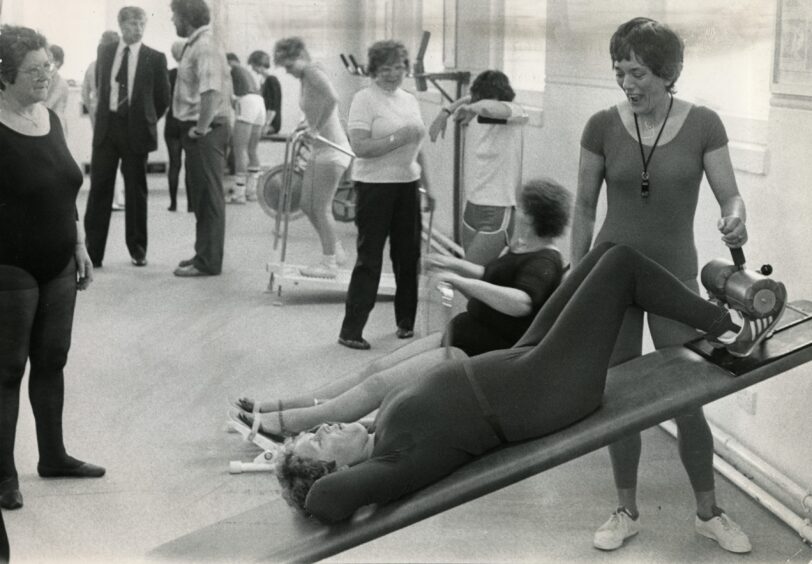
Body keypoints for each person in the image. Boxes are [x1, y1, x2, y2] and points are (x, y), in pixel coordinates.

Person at [274, 242, 785, 524]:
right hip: (546, 391)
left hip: (524, 364)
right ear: (332, 469)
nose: (325, 428)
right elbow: (327, 501)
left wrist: (313, 444)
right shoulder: (385, 467)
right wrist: (304, 486)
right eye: (318, 440)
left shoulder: (379, 434)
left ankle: (722, 318)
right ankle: (731, 328)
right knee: (624, 265)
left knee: (605, 252)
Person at [571, 17, 752, 554]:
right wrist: (573, 277)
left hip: (674, 275)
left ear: (667, 72)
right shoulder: (601, 125)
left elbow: (731, 198)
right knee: (619, 395)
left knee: (686, 396)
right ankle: (625, 509)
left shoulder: (705, 125)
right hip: (610, 274)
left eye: (639, 72)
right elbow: (582, 207)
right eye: (619, 71)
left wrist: (736, 218)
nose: (627, 83)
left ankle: (708, 512)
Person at [232, 178, 570, 435]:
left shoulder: (545, 262)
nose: (516, 211)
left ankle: (287, 424)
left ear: (533, 216)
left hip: (476, 351)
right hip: (462, 335)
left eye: (522, 208)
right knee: (372, 371)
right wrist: (454, 265)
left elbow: (521, 302)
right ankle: (275, 407)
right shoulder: (526, 249)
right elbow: (494, 277)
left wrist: (463, 283)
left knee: (379, 386)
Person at [0, 25, 106, 511]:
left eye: (49, 66)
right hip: (10, 265)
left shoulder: (51, 119)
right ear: (4, 74)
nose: (46, 76)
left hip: (60, 258)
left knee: (52, 361)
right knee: (7, 371)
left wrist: (81, 242)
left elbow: (67, 189)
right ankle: (3, 474)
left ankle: (53, 456)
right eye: (34, 70)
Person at [338, 40, 434, 349]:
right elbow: (360, 148)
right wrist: (397, 137)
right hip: (374, 188)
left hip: (407, 185)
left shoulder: (409, 99)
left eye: (398, 67)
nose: (392, 74)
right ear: (374, 71)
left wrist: (428, 187)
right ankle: (351, 331)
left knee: (408, 257)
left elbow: (417, 148)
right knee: (370, 259)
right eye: (385, 68)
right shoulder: (363, 99)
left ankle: (405, 322)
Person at [83, 6, 170, 269]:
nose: (139, 28)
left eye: (142, 23)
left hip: (136, 132)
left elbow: (162, 99)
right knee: (99, 190)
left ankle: (138, 250)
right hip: (107, 130)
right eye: (133, 23)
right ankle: (93, 252)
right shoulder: (105, 52)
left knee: (136, 192)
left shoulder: (155, 58)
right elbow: (100, 87)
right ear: (121, 25)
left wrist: (144, 118)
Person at [429, 70, 528, 265]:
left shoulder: (515, 111)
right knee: (474, 279)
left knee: (470, 272)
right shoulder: (479, 108)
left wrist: (473, 107)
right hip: (473, 206)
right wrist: (445, 112)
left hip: (499, 208)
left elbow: (490, 108)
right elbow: (474, 100)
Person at [273, 37, 352, 278]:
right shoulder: (305, 77)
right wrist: (306, 125)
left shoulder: (312, 70)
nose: (287, 71)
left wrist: (316, 128)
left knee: (320, 207)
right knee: (306, 205)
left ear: (299, 56)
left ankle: (329, 264)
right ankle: (336, 251)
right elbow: (317, 106)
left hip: (332, 149)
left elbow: (332, 98)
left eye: (288, 66)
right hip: (320, 150)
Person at [171, 0, 233, 278]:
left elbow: (212, 92)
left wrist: (200, 127)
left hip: (206, 131)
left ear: (187, 17)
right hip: (201, 130)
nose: (173, 21)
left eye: (175, 16)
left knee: (208, 197)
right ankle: (202, 254)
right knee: (202, 196)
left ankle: (208, 262)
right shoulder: (196, 45)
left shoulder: (204, 46)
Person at [81, 30, 127, 212]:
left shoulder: (92, 66)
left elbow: (85, 94)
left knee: (107, 157)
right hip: (115, 118)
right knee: (118, 157)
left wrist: (93, 110)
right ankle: (117, 198)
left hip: (99, 118)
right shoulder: (120, 65)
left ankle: (117, 198)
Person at [225, 52, 265, 205]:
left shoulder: (230, 68)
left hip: (247, 102)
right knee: (252, 150)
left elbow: (230, 96)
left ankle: (239, 194)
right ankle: (251, 191)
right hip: (260, 102)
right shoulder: (247, 72)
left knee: (239, 149)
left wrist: (234, 104)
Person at [165, 40, 190, 212]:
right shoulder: (193, 73)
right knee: (190, 165)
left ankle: (173, 203)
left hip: (172, 120)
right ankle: (192, 204)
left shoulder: (169, 74)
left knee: (174, 164)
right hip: (188, 120)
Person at [247, 50, 282, 136]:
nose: (252, 69)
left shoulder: (272, 80)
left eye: (253, 66)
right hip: (265, 120)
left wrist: (266, 124)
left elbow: (273, 105)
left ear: (258, 64)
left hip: (272, 123)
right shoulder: (263, 81)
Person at [44, 44, 69, 134]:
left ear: (57, 62)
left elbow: (48, 105)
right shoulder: (49, 79)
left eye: (49, 59)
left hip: (56, 126)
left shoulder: (61, 83)